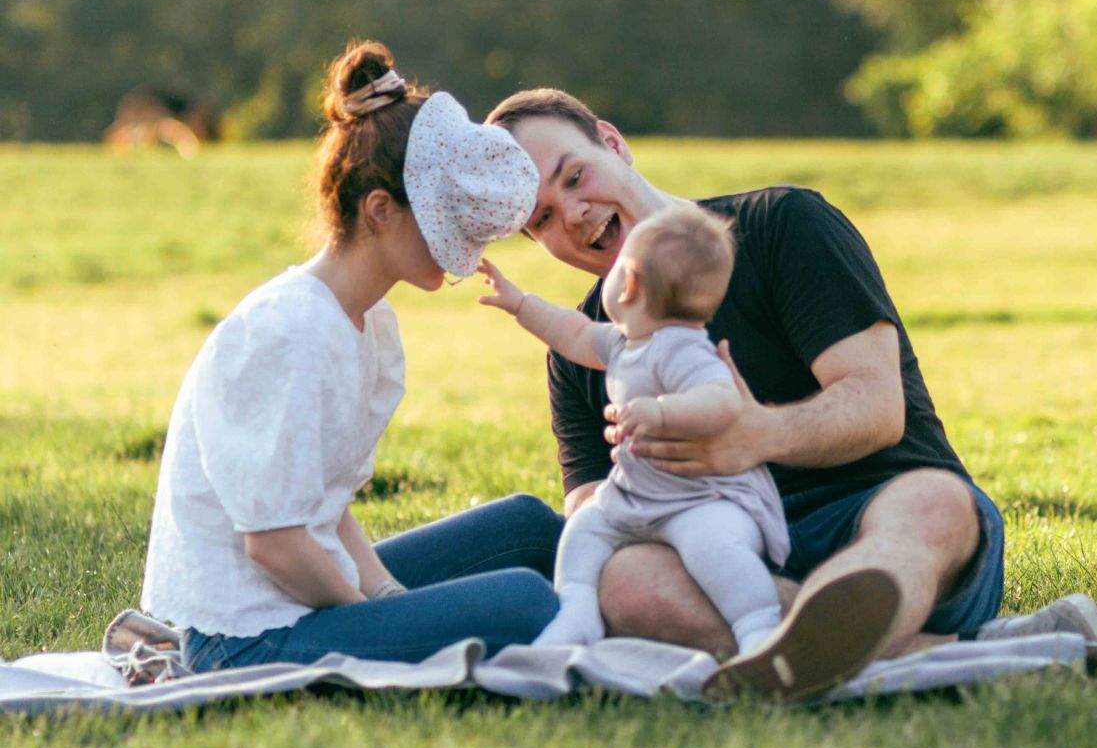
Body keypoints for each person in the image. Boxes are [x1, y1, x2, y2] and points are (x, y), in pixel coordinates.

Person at [483, 87, 1009, 698]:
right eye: (542, 218)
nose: (573, 213)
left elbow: (877, 406)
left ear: (613, 143)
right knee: (624, 581)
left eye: (575, 176)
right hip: (728, 565)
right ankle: (884, 648)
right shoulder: (582, 349)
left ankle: (833, 631)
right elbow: (597, 513)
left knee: (933, 503)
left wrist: (756, 435)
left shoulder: (783, 225)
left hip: (875, 506)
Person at [140, 41, 563, 672]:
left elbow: (324, 507)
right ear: (380, 211)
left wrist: (390, 596)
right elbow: (275, 544)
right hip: (249, 636)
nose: (467, 254)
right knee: (528, 603)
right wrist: (372, 616)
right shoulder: (290, 331)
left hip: (304, 594)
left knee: (528, 527)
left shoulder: (358, 320)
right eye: (447, 225)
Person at [480, 205, 886, 671]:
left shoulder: (683, 348)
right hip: (637, 497)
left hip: (704, 501)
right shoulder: (625, 341)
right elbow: (572, 334)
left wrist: (659, 411)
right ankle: (579, 611)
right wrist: (520, 304)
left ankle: (757, 626)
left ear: (628, 283)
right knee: (585, 530)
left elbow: (721, 401)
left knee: (716, 552)